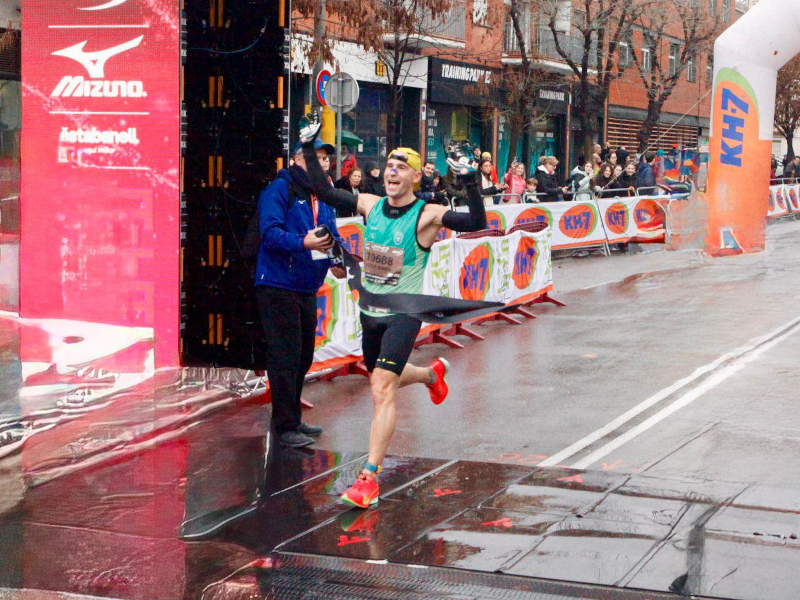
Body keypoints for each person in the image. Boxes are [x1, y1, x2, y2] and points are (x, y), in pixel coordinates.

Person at [301, 121, 488, 509]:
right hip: (370, 311)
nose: (391, 171)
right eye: (389, 165)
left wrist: (470, 181)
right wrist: (305, 145)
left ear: (416, 176)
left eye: (401, 167)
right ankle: (431, 374)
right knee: (382, 376)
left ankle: (369, 477)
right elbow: (321, 189)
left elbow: (476, 223)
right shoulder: (369, 205)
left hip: (404, 312)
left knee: (381, 388)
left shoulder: (427, 214)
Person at [255, 137, 343, 448]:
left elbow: (331, 235)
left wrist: (338, 261)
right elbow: (270, 234)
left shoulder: (324, 193)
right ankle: (284, 425)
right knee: (286, 357)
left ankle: (292, 418)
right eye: (314, 157)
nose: (321, 164)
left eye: (325, 159)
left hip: (307, 285)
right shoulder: (279, 189)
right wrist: (302, 242)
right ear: (296, 159)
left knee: (304, 356)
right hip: (277, 284)